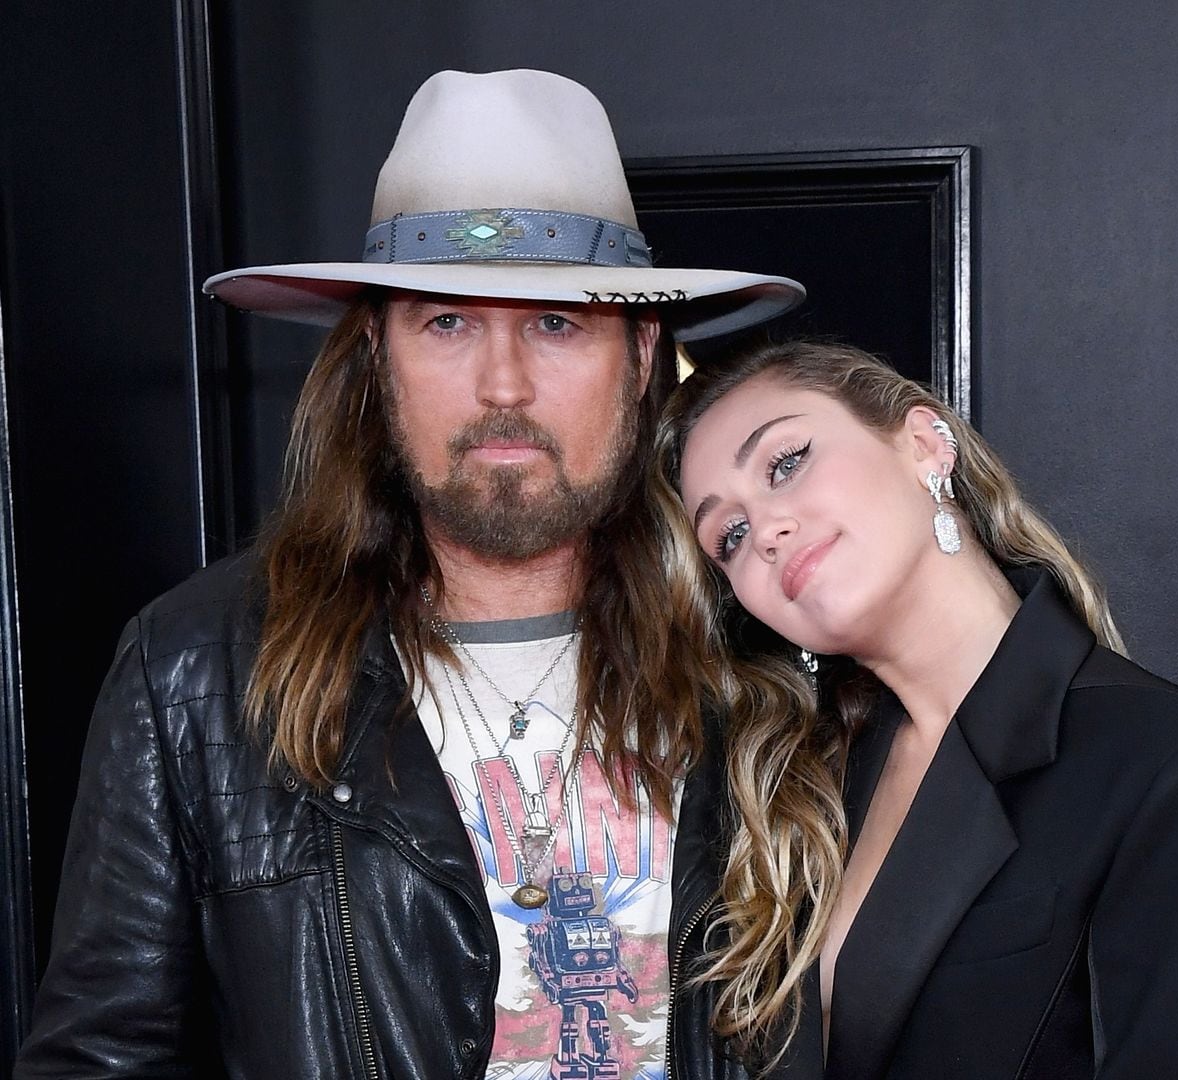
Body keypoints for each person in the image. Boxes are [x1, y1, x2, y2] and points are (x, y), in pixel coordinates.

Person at [14, 69, 803, 1079]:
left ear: (643, 354)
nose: (503, 384)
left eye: (557, 324)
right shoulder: (196, 671)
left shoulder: (763, 648)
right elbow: (97, 1058)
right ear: (378, 358)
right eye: (447, 323)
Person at [656, 340, 1178, 1079]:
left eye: (786, 462)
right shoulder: (801, 796)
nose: (766, 531)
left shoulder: (1172, 765)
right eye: (729, 537)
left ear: (925, 443)